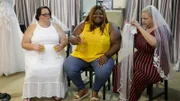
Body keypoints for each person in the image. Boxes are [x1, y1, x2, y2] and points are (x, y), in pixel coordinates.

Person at [63, 5, 121, 101]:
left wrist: (107, 55)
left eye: (101, 14)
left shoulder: (110, 26)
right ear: (91, 15)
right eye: (95, 13)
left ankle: (95, 91)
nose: (98, 16)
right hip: (81, 55)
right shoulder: (84, 24)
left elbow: (117, 44)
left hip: (101, 56)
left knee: (102, 72)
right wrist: (73, 39)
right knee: (68, 67)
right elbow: (72, 36)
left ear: (104, 15)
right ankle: (82, 89)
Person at [117, 5, 174, 101]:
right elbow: (137, 43)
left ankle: (131, 98)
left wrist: (139, 27)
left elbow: (154, 43)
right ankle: (124, 95)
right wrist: (129, 29)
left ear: (154, 18)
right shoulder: (145, 28)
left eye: (145, 18)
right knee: (121, 66)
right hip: (141, 57)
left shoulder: (162, 29)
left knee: (139, 75)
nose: (143, 21)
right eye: (142, 18)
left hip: (156, 63)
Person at [21, 6, 68, 101]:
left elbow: (64, 39)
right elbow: (24, 43)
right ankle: (29, 93)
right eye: (44, 14)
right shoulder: (33, 27)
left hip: (55, 55)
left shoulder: (55, 26)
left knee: (55, 70)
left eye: (48, 13)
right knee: (34, 70)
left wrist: (61, 45)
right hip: (36, 55)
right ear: (38, 16)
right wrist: (34, 46)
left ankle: (55, 92)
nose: (47, 16)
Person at [0, 0, 24, 76]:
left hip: (9, 14)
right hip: (6, 14)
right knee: (6, 36)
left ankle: (10, 64)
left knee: (11, 36)